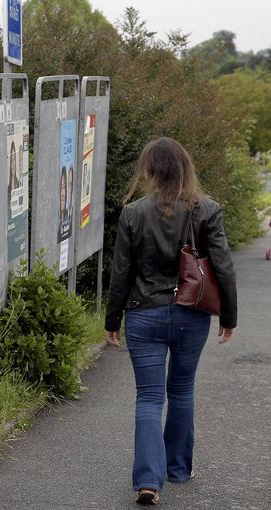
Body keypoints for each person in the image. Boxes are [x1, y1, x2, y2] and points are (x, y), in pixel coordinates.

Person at [105, 137, 237, 505]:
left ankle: (149, 480)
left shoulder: (132, 213)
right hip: (191, 313)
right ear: (184, 167)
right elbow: (223, 265)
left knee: (148, 397)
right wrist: (229, 316)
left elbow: (122, 273)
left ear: (150, 169)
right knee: (181, 389)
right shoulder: (206, 210)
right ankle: (178, 468)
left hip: (144, 314)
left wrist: (111, 319)